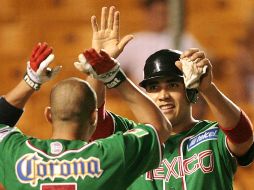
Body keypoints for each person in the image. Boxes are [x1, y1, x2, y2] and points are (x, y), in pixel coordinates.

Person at [84, 6, 254, 190]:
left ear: (190, 91)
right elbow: (90, 120)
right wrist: (97, 68)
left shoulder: (212, 135)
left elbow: (243, 136)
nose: (163, 95)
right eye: (154, 88)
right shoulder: (132, 139)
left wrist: (208, 88)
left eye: (172, 86)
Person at [0, 9, 172, 189]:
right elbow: (160, 127)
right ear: (93, 117)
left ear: (49, 115)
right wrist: (113, 76)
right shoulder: (110, 156)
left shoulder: (16, 154)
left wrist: (31, 81)